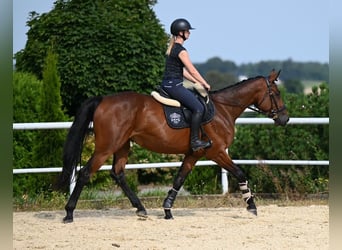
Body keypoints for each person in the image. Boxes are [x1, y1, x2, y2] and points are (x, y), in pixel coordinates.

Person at [161, 18, 211, 151]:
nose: (189, 33)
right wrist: (204, 83)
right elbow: (192, 70)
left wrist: (195, 82)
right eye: (187, 31)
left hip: (168, 84)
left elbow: (181, 71)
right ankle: (195, 141)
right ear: (181, 32)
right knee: (198, 108)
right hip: (174, 86)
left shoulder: (172, 48)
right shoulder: (181, 51)